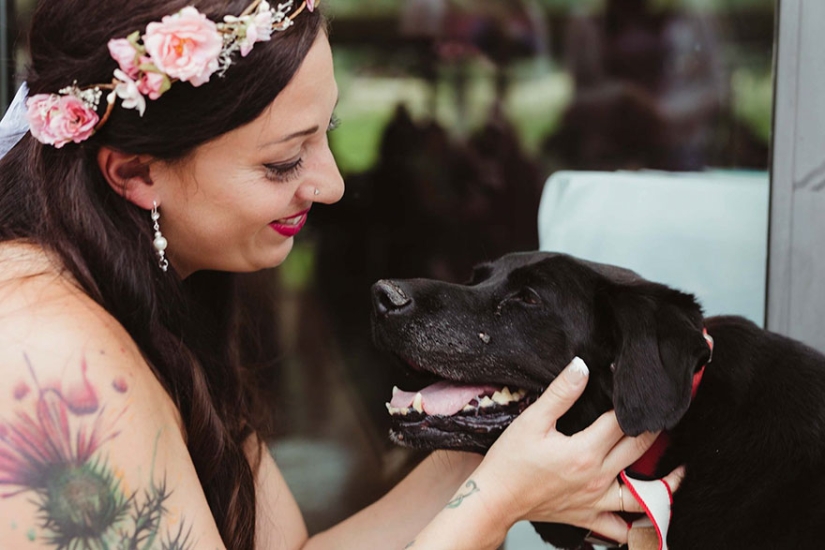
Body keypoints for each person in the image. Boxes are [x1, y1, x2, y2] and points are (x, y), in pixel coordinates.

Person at [0, 1, 683, 549]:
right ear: (135, 172)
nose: (329, 185)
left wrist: (491, 445)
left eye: (325, 133)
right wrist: (495, 504)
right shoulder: (53, 364)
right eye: (283, 161)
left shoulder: (159, 307)